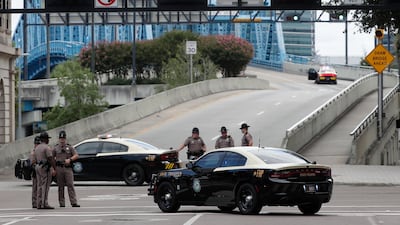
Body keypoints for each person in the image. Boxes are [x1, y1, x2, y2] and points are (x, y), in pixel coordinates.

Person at [53, 130, 80, 208]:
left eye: (63, 138)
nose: (62, 140)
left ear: (65, 139)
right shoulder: (56, 148)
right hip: (59, 168)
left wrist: (70, 160)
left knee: (70, 185)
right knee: (60, 186)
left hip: (67, 168)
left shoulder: (69, 147)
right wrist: (53, 169)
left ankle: (73, 202)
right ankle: (62, 203)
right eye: (61, 138)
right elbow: (51, 158)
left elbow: (76, 155)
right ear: (59, 139)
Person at [34, 131, 56, 209]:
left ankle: (39, 203)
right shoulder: (46, 147)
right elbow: (50, 158)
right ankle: (44, 203)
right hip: (45, 167)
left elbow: (35, 159)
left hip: (37, 166)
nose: (48, 140)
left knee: (39, 185)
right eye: (47, 138)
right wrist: (54, 167)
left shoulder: (37, 148)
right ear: (46, 139)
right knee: (45, 186)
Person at [30, 136, 41, 208]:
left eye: (38, 143)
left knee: (40, 186)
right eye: (36, 143)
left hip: (40, 170)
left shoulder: (40, 151)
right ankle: (34, 202)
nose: (37, 145)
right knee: (35, 187)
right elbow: (32, 161)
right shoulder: (33, 151)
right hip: (34, 170)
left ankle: (39, 201)